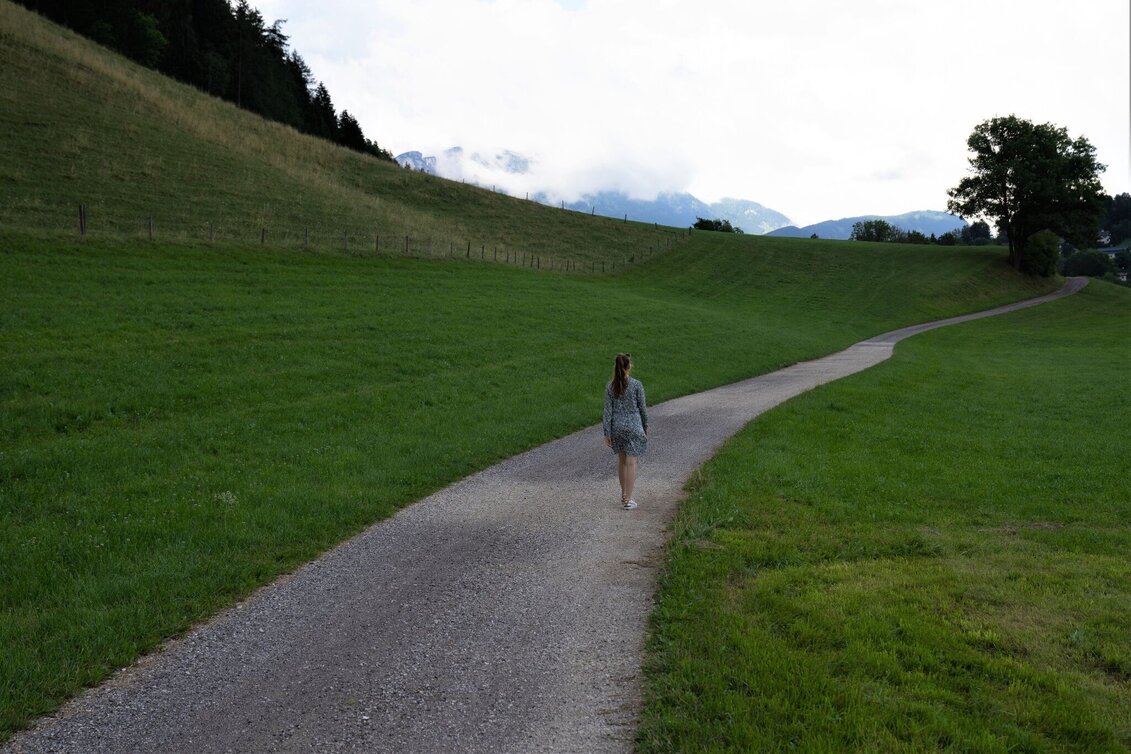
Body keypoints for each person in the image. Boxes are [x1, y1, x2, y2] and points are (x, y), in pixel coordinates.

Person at [603, 352, 648, 510]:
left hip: (617, 428)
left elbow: (607, 412)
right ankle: (629, 499)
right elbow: (642, 409)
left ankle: (624, 495)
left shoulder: (610, 386)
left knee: (622, 462)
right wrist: (645, 427)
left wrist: (606, 432)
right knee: (631, 462)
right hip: (634, 426)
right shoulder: (636, 385)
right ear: (628, 366)